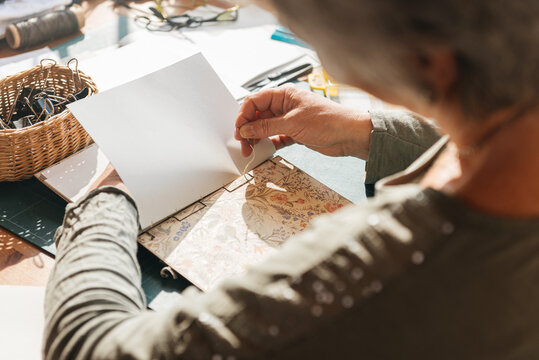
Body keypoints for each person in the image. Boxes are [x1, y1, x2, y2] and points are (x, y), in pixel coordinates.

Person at [43, 0, 539, 359]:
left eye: (308, 30)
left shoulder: (382, 272)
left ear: (429, 62)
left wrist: (108, 197)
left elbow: (89, 348)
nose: (323, 59)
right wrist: (366, 130)